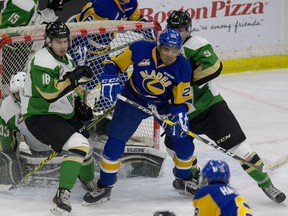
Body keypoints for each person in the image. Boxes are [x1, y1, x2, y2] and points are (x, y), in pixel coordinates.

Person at [164, 10, 286, 203]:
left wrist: (182, 82)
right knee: (172, 145)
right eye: (173, 29)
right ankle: (190, 177)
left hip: (210, 109)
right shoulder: (163, 47)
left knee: (239, 148)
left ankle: (266, 184)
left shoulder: (196, 45)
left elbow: (213, 67)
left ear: (188, 30)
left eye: (181, 30)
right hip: (182, 112)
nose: (177, 34)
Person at [82, 28, 196, 204]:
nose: (170, 55)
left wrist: (179, 115)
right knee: (115, 141)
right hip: (132, 100)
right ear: (159, 46)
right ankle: (104, 186)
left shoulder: (182, 66)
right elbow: (113, 63)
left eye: (174, 51)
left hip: (163, 106)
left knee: (183, 141)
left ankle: (184, 180)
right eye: (166, 49)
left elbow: (181, 100)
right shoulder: (140, 49)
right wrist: (109, 76)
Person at [20, 20, 96, 215]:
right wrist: (74, 77)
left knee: (85, 148)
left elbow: (69, 89)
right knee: (78, 145)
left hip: (62, 113)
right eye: (58, 41)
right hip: (41, 115)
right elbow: (50, 93)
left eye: (65, 41)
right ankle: (61, 196)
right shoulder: (41, 61)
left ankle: (88, 182)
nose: (63, 45)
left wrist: (79, 105)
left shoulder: (67, 59)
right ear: (48, 41)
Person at [68, 0, 153, 92]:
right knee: (80, 81)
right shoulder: (104, 5)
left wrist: (147, 29)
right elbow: (81, 30)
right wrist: (80, 58)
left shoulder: (130, 3)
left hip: (101, 51)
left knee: (117, 78)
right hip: (79, 47)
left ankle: (100, 105)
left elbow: (136, 19)